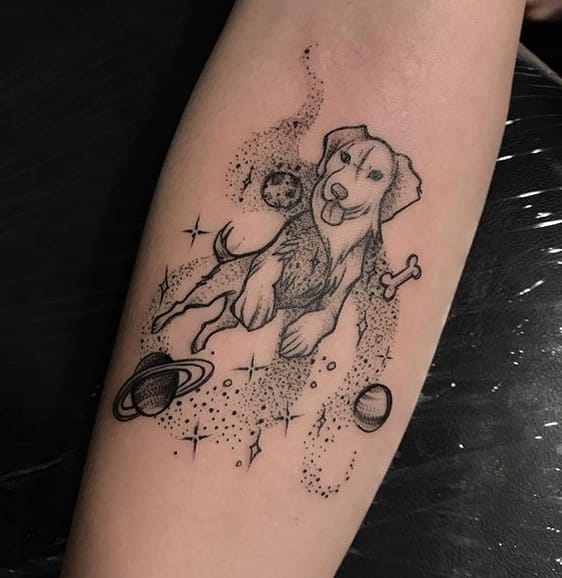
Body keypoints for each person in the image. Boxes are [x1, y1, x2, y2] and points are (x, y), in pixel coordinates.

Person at [61, 2, 526, 576]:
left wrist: (322, 320)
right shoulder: (306, 223)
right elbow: (377, 30)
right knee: (207, 299)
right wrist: (257, 276)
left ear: (389, 196)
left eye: (370, 175)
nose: (342, 183)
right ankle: (180, 326)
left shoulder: (359, 245)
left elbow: (340, 291)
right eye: (344, 160)